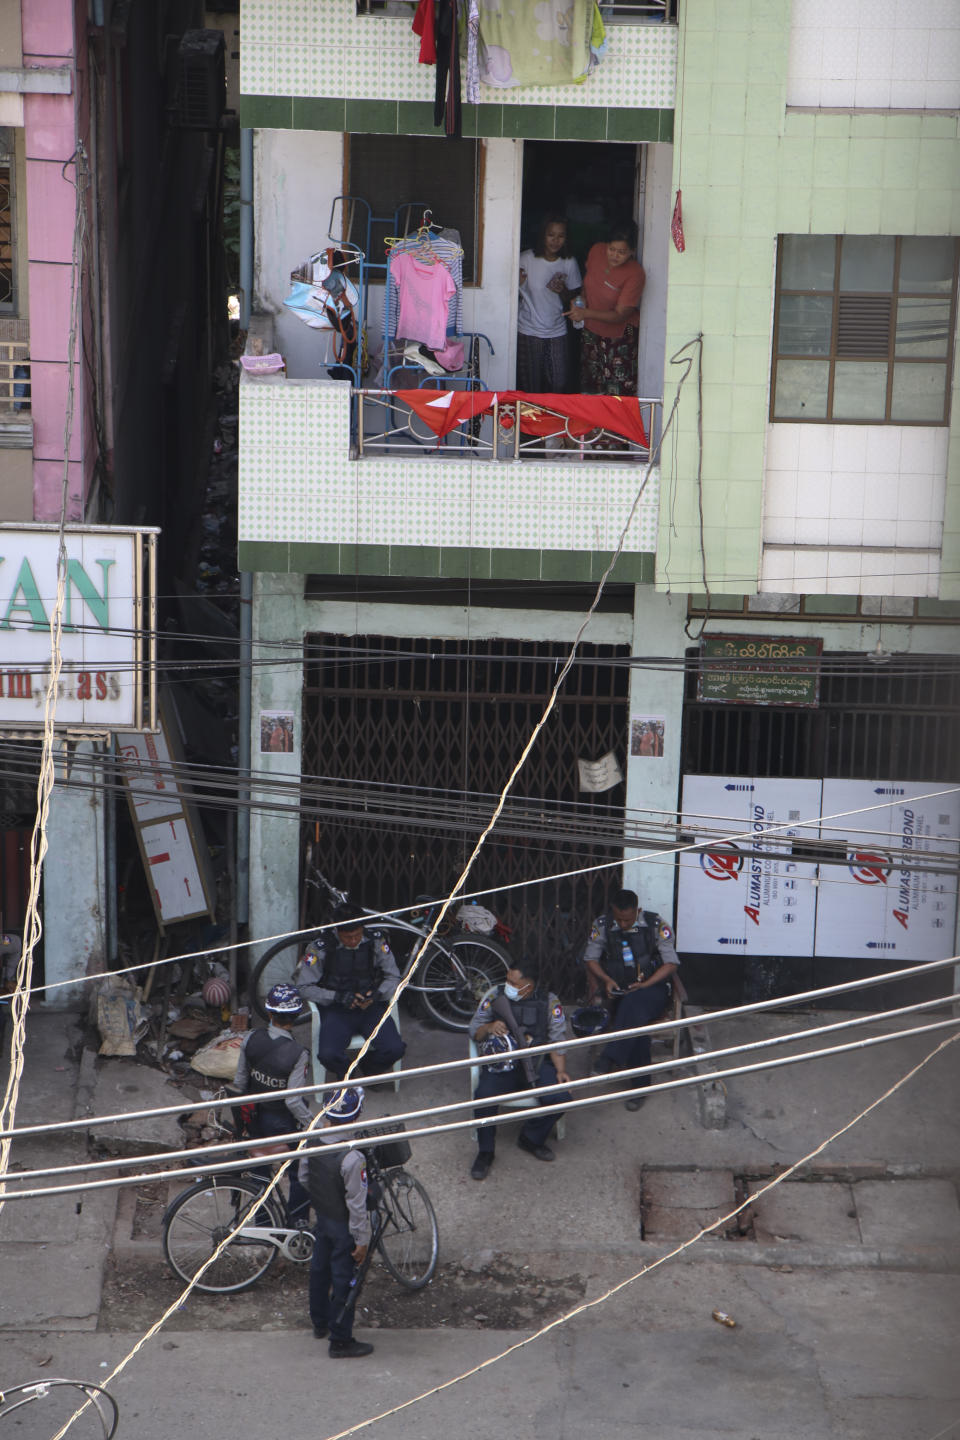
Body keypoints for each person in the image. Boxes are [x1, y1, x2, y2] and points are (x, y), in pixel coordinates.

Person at [468, 959, 571, 1180]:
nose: (508, 985)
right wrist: (489, 1027)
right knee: (483, 1097)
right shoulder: (496, 997)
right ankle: (485, 1152)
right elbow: (473, 1031)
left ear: (528, 986)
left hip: (537, 1064)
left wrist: (561, 1070)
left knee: (562, 1097)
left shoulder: (549, 1002)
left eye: (513, 982)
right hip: (502, 1067)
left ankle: (531, 1139)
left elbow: (557, 1040)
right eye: (507, 980)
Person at [581, 888, 679, 1111]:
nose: (622, 924)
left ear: (638, 911)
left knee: (634, 1005)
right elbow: (590, 959)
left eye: (627, 919)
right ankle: (640, 1088)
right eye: (619, 919)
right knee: (637, 1022)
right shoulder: (603, 925)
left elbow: (671, 964)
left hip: (651, 989)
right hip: (615, 989)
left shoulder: (655, 925)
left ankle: (611, 1055)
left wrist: (645, 984)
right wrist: (605, 980)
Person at [300, 1085, 375, 1358]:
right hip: (343, 1227)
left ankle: (319, 1323)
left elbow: (305, 1177)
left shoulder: (313, 1139)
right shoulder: (353, 1158)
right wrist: (362, 1241)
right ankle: (341, 1340)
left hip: (322, 1218)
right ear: (355, 1119)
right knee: (343, 1279)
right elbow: (357, 1204)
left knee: (319, 1271)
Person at [294, 904, 406, 1083]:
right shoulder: (320, 948)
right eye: (347, 937)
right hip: (337, 1010)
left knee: (395, 1049)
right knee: (327, 1055)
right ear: (337, 931)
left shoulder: (375, 941)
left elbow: (394, 976)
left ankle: (368, 1067)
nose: (354, 941)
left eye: (357, 935)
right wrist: (337, 997)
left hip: (371, 1008)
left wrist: (377, 994)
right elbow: (304, 987)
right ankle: (345, 1071)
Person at [233, 982, 313, 1221]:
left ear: (269, 1013)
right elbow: (293, 1101)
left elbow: (240, 1083)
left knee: (260, 1172)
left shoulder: (250, 1039)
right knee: (302, 1170)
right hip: (282, 1124)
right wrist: (312, 1124)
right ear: (297, 1015)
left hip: (254, 1120)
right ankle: (297, 1222)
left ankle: (263, 1222)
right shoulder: (299, 1054)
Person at [567, 222, 645, 397]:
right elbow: (588, 284)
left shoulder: (635, 273)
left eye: (621, 252)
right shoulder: (596, 251)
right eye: (612, 249)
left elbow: (620, 314)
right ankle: (592, 425)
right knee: (591, 386)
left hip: (619, 339)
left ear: (632, 252)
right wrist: (580, 301)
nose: (615, 255)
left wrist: (585, 313)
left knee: (617, 392)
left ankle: (615, 425)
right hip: (591, 333)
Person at [517, 214, 582, 393]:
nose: (555, 240)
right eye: (550, 235)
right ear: (542, 236)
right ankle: (531, 419)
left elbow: (576, 298)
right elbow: (507, 291)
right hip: (528, 329)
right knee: (531, 385)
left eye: (560, 236)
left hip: (557, 329)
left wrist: (562, 290)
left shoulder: (568, 262)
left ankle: (552, 419)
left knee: (558, 382)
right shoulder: (526, 259)